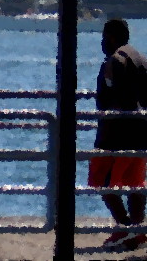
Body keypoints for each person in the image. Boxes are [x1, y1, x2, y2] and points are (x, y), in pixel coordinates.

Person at [89, 19, 147, 250]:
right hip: (141, 132)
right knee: (134, 183)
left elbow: (113, 99)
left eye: (104, 36)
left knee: (101, 180)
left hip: (115, 134)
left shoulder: (115, 61)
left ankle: (125, 227)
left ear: (111, 37)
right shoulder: (141, 59)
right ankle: (137, 229)